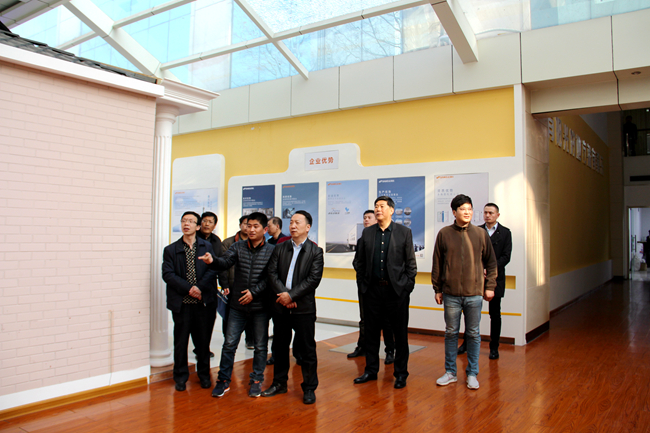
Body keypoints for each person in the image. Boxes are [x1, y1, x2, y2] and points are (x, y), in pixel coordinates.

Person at [199, 212, 274, 398]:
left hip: (260, 307)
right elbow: (225, 261)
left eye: (255, 226)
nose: (251, 229)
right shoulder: (238, 246)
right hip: (237, 306)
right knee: (229, 344)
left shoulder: (272, 250)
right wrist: (212, 261)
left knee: (260, 346)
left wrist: (254, 292)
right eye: (248, 226)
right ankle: (223, 380)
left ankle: (256, 380)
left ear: (265, 229)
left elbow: (271, 277)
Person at [432, 194, 497, 390]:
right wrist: (437, 288)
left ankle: (472, 374)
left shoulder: (480, 234)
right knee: (451, 333)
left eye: (469, 209)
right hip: (450, 294)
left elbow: (491, 263)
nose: (467, 212)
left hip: (474, 294)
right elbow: (437, 264)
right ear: (454, 212)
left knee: (473, 334)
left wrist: (490, 286)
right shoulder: (444, 234)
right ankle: (450, 372)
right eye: (462, 209)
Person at [352, 196, 417, 389]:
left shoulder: (404, 232)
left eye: (381, 206)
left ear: (391, 210)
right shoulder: (367, 233)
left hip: (396, 292)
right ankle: (371, 370)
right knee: (371, 333)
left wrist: (406, 287)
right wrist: (363, 285)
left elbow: (411, 265)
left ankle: (401, 374)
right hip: (372, 291)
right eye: (376, 206)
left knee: (400, 335)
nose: (378, 209)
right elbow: (359, 262)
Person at [262, 211, 324, 404]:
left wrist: (292, 295)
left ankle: (309, 388)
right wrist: (284, 295)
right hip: (281, 306)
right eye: (291, 222)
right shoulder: (280, 248)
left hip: (303, 308)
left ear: (308, 227)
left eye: (297, 222)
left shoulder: (316, 251)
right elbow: (271, 273)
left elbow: (313, 280)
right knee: (280, 347)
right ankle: (279, 383)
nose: (293, 226)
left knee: (307, 349)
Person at [162, 211, 217, 392]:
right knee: (180, 342)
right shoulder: (171, 249)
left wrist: (199, 288)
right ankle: (180, 377)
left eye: (191, 221)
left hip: (202, 303)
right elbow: (168, 274)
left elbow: (212, 269)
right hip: (182, 304)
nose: (186, 224)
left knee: (203, 343)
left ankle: (204, 375)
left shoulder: (206, 246)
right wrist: (189, 289)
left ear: (198, 226)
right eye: (184, 221)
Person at [458, 203, 512, 359]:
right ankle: (466, 343)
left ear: (497, 215)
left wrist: (490, 269)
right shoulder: (476, 231)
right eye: (485, 212)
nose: (487, 215)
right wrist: (480, 268)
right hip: (476, 277)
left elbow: (506, 256)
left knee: (495, 314)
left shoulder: (505, 233)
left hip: (496, 278)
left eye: (491, 213)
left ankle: (494, 347)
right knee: (470, 312)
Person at [348, 210, 396, 365]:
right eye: (364, 218)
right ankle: (362, 347)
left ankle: (390, 350)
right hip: (367, 287)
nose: (366, 220)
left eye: (369, 217)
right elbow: (357, 262)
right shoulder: (363, 239)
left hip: (386, 287)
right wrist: (363, 280)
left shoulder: (389, 237)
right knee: (365, 319)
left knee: (387, 321)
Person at [197, 212, 229, 356]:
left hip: (210, 284)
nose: (207, 224)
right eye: (204, 221)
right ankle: (199, 347)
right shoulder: (194, 238)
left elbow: (220, 264)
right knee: (197, 319)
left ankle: (204, 347)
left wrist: (224, 284)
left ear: (214, 225)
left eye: (210, 222)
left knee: (210, 317)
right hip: (195, 284)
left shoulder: (216, 241)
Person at [223, 215, 254, 349]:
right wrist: (224, 284)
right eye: (246, 224)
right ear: (240, 225)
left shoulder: (256, 243)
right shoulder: (229, 243)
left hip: (250, 288)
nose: (248, 227)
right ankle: (228, 339)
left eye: (251, 225)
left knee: (251, 315)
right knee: (230, 314)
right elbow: (223, 265)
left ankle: (250, 339)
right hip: (232, 286)